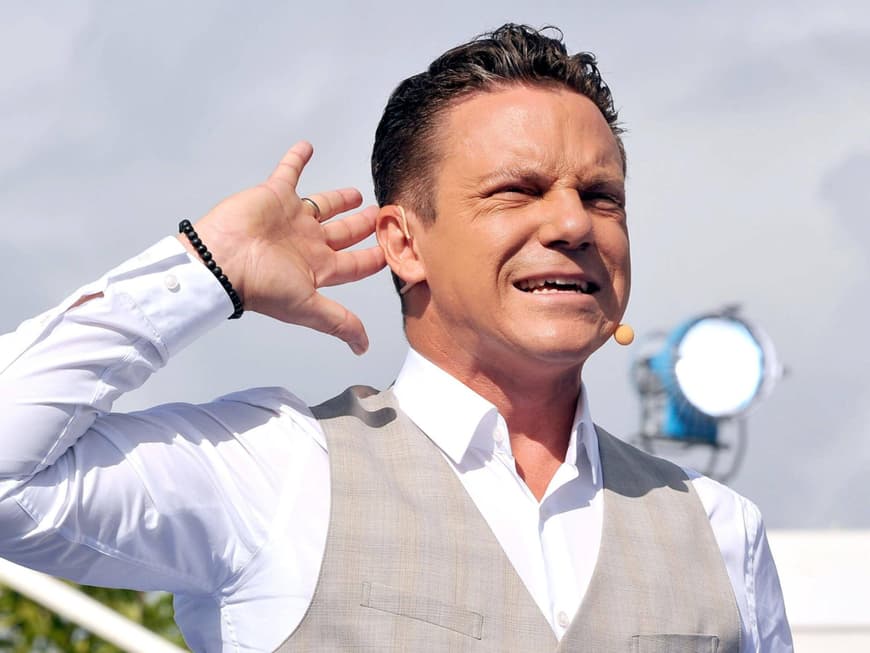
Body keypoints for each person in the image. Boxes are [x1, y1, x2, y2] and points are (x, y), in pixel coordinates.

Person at [0, 24, 792, 653]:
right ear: (404, 244)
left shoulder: (720, 529)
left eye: (600, 195)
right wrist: (208, 268)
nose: (572, 223)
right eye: (517, 191)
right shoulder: (280, 474)